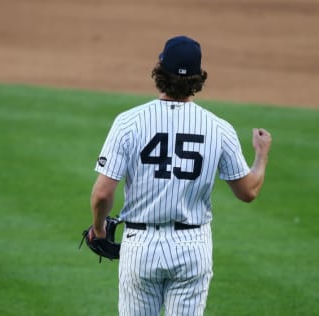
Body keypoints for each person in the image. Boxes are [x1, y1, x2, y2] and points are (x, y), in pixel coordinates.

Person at [89, 35, 272, 316]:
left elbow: (102, 193)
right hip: (192, 247)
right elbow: (248, 192)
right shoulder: (218, 128)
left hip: (140, 245)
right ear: (198, 78)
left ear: (159, 71)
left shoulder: (128, 122)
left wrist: (99, 229)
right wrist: (261, 155)